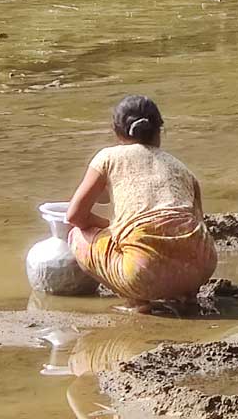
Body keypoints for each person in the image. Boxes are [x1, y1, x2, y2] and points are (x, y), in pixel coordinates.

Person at [66, 95, 217, 313]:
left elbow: (74, 216)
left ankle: (138, 302)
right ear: (159, 132)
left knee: (76, 236)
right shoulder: (183, 170)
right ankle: (186, 296)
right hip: (201, 268)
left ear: (117, 132)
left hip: (144, 272)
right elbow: (197, 223)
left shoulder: (107, 158)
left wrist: (108, 226)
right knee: (178, 237)